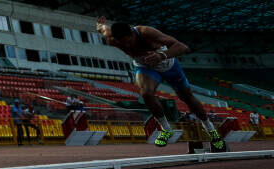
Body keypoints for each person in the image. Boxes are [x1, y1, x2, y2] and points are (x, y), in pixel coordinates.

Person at [96, 15, 225, 151]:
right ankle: (166, 128)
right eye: (122, 43)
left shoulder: (146, 33)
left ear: (132, 33)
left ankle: (211, 130)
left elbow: (183, 47)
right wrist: (99, 25)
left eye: (128, 41)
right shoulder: (111, 38)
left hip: (167, 64)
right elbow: (102, 28)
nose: (126, 45)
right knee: (146, 93)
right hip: (145, 66)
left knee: (187, 97)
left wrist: (161, 55)